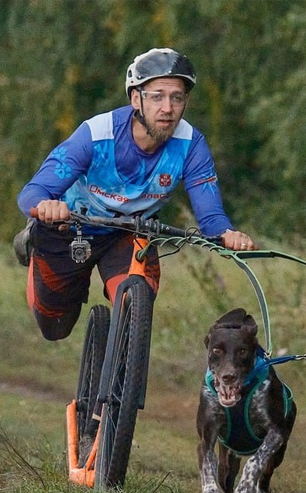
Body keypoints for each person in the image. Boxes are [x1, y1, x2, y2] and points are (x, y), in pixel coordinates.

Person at [15, 48, 257, 342]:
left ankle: (120, 383)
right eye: (157, 96)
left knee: (135, 304)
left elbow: (211, 216)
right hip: (70, 229)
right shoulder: (96, 134)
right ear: (135, 99)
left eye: (176, 97)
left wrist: (227, 234)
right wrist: (44, 207)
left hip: (129, 234)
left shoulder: (191, 145)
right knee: (55, 328)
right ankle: (33, 239)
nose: (167, 107)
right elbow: (33, 191)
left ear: (185, 102)